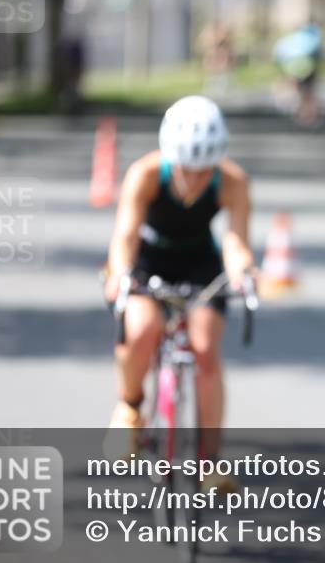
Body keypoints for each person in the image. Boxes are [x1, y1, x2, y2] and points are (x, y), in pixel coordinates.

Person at [103, 95, 255, 490]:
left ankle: (208, 462)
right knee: (140, 330)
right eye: (187, 170)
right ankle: (130, 407)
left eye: (205, 171)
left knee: (204, 348)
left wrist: (243, 272)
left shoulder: (233, 181)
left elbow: (236, 240)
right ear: (171, 157)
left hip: (200, 264)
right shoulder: (147, 174)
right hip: (149, 261)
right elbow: (124, 235)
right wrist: (120, 273)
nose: (195, 180)